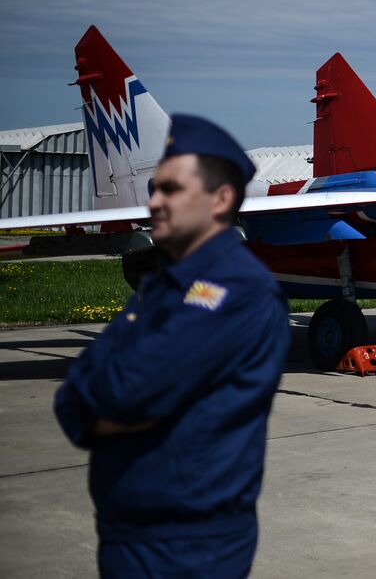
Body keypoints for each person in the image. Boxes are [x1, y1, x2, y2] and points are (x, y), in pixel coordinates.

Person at [54, 114, 289, 578]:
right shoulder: (169, 286)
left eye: (171, 190)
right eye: (155, 188)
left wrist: (93, 401)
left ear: (221, 199)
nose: (153, 202)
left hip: (186, 547)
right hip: (135, 535)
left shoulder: (231, 291)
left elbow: (127, 394)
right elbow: (75, 393)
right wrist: (92, 401)